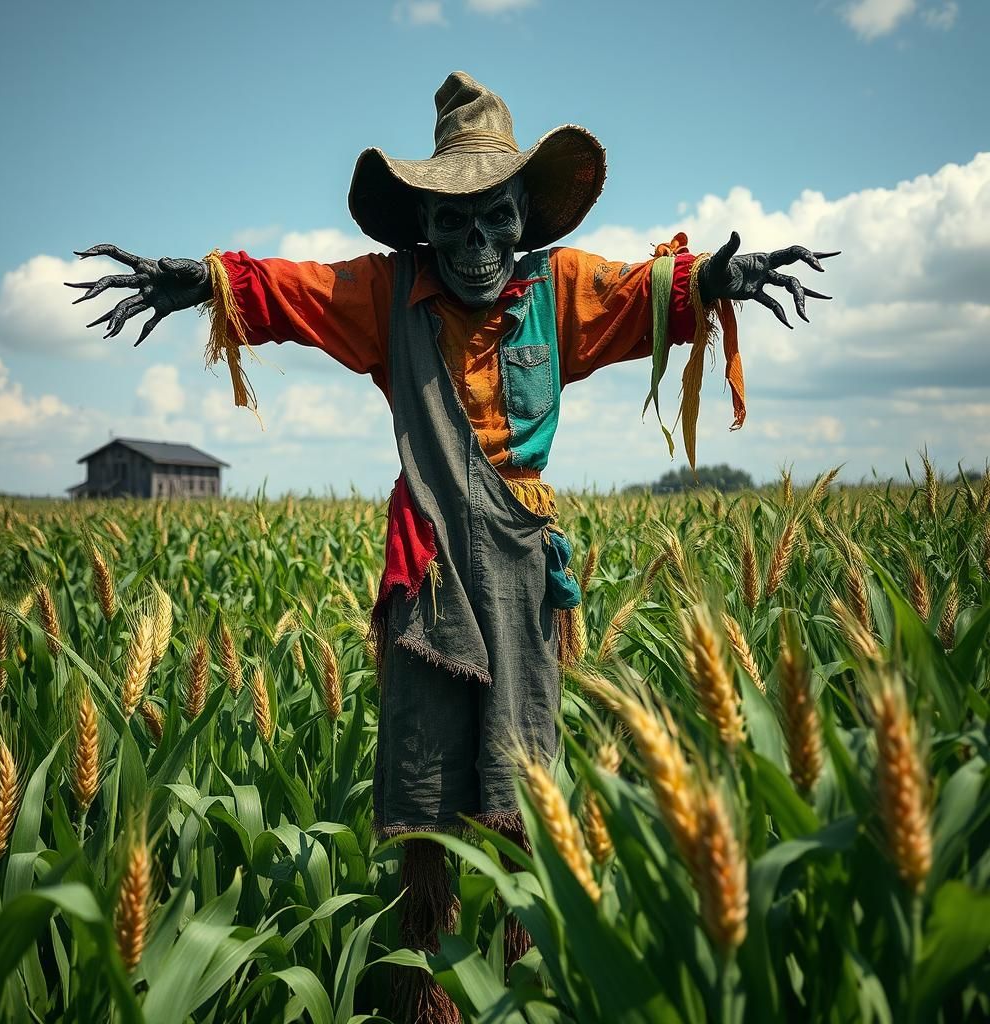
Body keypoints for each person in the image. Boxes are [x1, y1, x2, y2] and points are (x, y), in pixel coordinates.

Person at [67, 71, 836, 1024]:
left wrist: (718, 277)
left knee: (522, 790)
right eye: (452, 223)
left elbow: (653, 290)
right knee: (425, 799)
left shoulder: (559, 289)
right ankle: (422, 991)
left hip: (521, 570)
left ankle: (513, 982)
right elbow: (287, 291)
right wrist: (203, 282)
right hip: (426, 572)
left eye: (495, 220)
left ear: (525, 220)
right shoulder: (387, 294)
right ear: (421, 224)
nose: (475, 245)